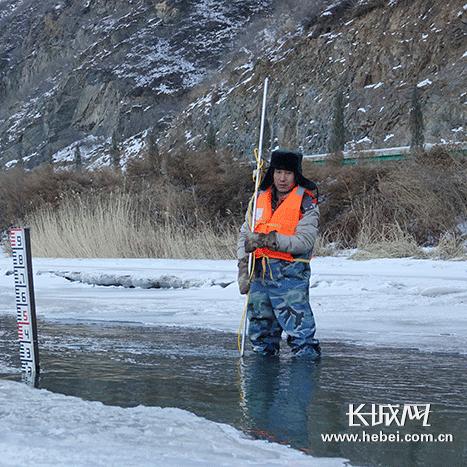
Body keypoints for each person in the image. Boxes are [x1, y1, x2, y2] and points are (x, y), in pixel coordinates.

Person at [237, 149, 321, 358]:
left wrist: (266, 240)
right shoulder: (258, 199)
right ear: (272, 173)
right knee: (260, 337)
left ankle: (303, 380)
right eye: (278, 172)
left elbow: (304, 241)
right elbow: (244, 234)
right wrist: (242, 267)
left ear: (296, 175)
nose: (282, 178)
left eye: (288, 173)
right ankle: (261, 384)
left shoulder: (307, 203)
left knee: (302, 339)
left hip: (290, 278)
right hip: (259, 276)